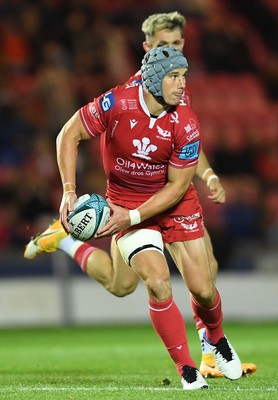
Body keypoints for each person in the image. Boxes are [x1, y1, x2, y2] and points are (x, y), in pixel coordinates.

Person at [24, 11, 256, 379]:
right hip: (128, 202)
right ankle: (66, 240)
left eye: (180, 46)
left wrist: (207, 173)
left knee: (203, 280)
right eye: (166, 47)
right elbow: (68, 134)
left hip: (173, 199)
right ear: (148, 50)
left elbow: (184, 153)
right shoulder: (121, 98)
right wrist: (70, 191)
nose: (176, 57)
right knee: (126, 285)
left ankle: (213, 346)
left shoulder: (178, 90)